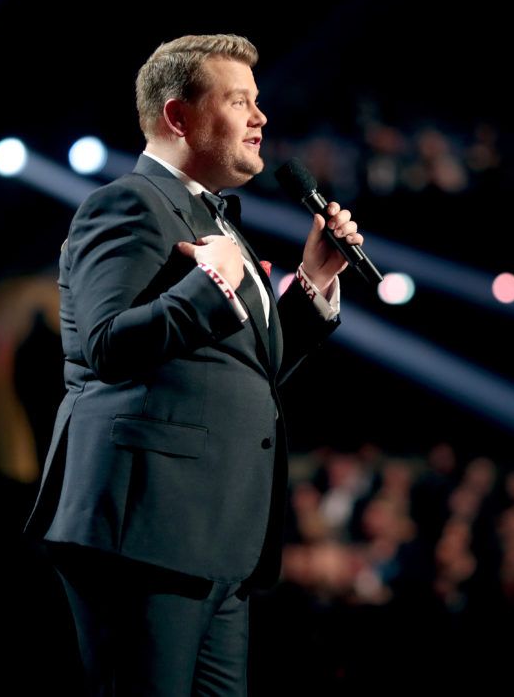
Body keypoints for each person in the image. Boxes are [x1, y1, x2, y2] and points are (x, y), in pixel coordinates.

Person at [25, 34, 364, 696]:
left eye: (257, 102)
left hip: (213, 539)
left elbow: (238, 368)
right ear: (178, 117)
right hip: (143, 535)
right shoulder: (125, 204)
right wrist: (209, 288)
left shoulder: (217, 221)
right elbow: (105, 345)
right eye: (240, 101)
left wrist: (314, 281)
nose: (261, 118)